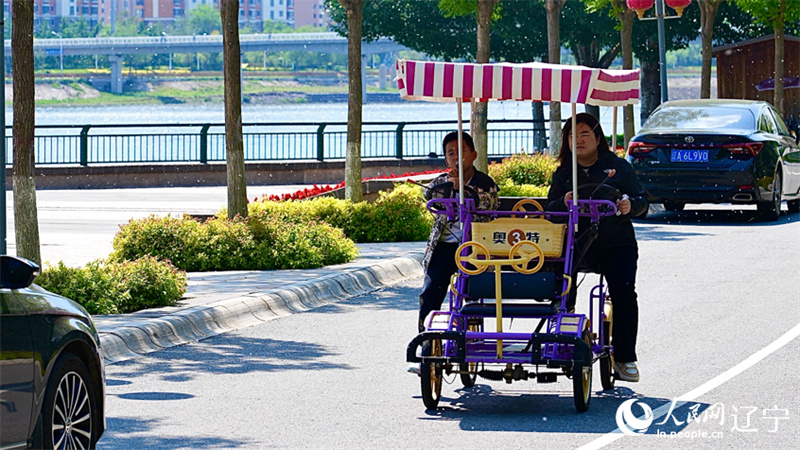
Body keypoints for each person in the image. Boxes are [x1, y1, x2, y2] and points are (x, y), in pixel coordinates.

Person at [545, 113, 648, 382]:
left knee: (624, 294)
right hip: (575, 244)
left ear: (598, 138)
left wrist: (629, 205)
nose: (577, 140)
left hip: (616, 243)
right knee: (561, 289)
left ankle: (625, 358)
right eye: (571, 136)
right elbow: (548, 210)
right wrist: (563, 202)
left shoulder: (618, 167)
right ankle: (561, 340)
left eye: (584, 134)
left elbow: (642, 201)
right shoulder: (564, 173)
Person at [409, 132, 498, 374]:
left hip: (474, 247)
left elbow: (487, 205)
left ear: (473, 155)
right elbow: (431, 198)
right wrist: (451, 187)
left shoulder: (485, 182)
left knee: (470, 297)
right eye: (450, 153)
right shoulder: (442, 181)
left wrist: (464, 189)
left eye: (461, 151)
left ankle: (469, 341)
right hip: (445, 246)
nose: (456, 157)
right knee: (430, 293)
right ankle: (426, 350)